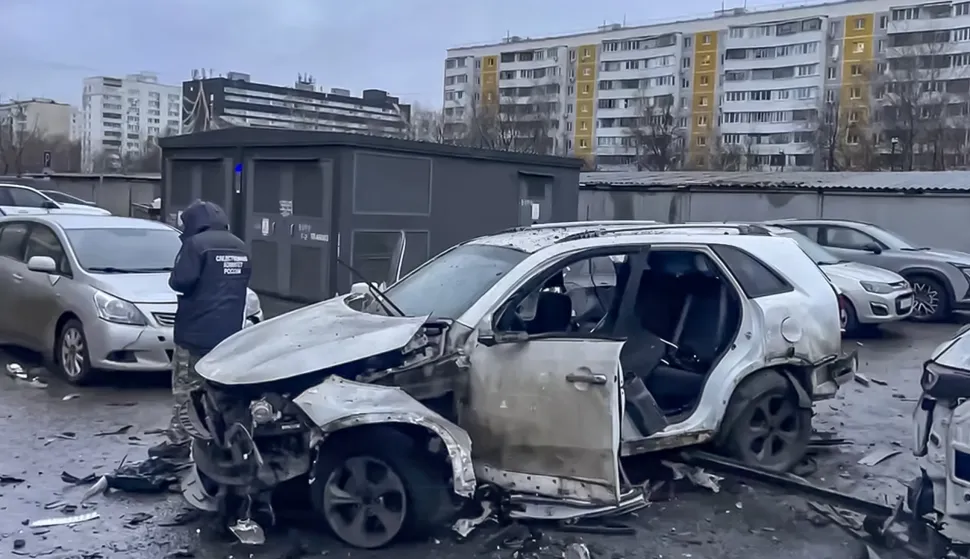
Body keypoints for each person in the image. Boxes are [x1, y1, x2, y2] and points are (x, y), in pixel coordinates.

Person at [150, 200, 252, 460]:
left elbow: (180, 281)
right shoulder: (239, 246)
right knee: (218, 390)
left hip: (195, 332)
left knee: (186, 390)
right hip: (228, 334)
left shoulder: (196, 245)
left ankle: (178, 443)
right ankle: (220, 440)